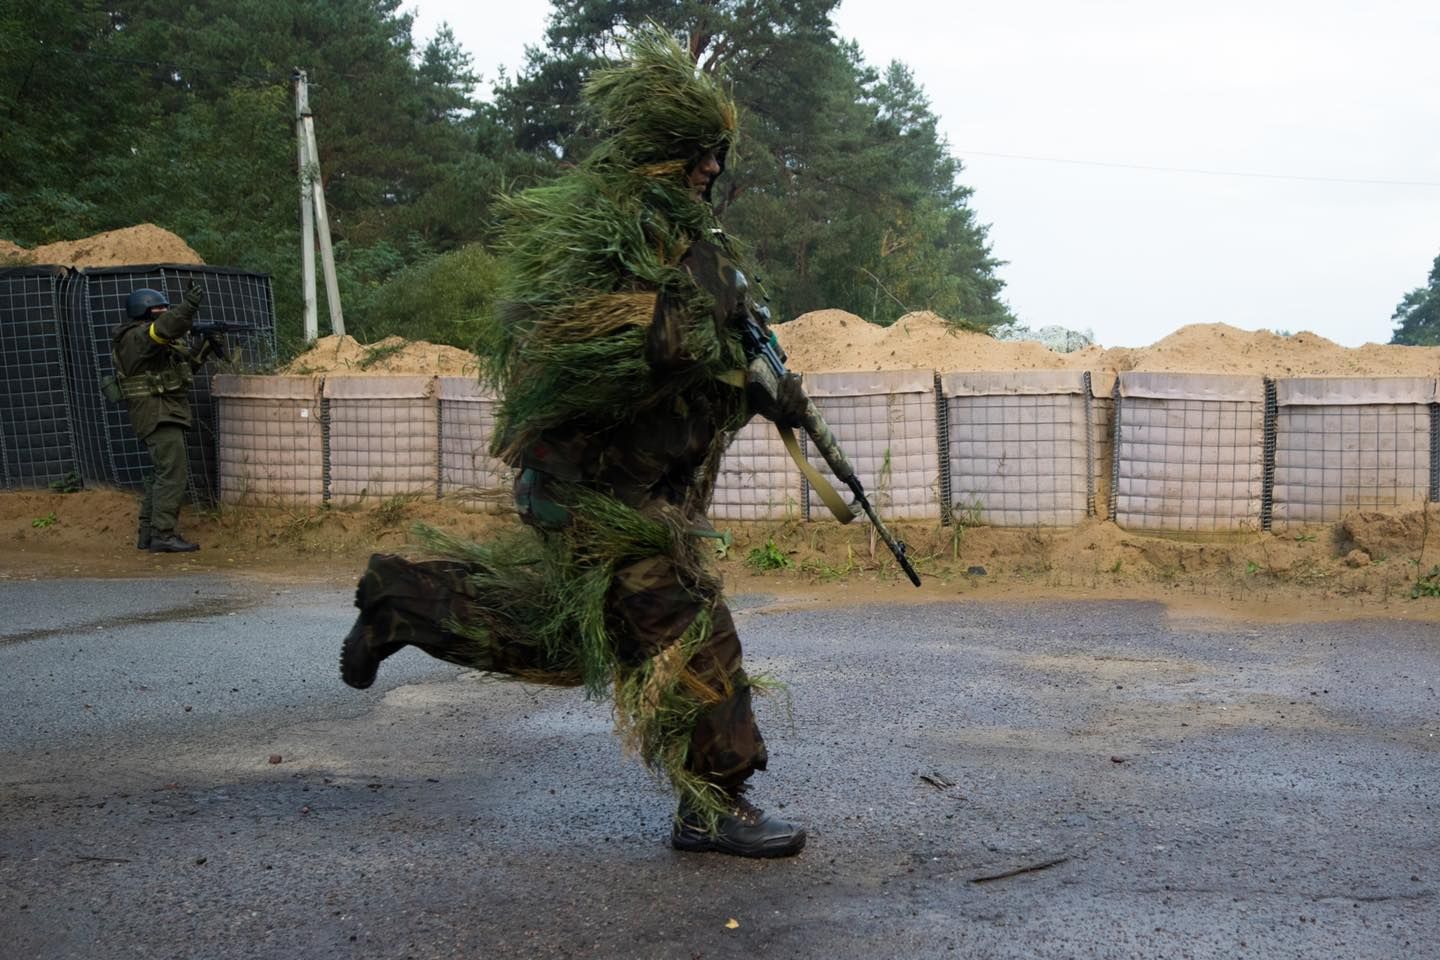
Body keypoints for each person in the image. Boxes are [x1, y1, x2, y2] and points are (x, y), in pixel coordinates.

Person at [338, 29, 808, 858]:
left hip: (642, 491)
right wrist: (713, 343)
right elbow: (600, 350)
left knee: (566, 637)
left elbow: (703, 368)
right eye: (697, 153)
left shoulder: (698, 245)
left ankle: (403, 603)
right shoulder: (606, 239)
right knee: (695, 631)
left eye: (717, 156)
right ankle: (712, 803)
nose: (709, 168)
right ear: (662, 151)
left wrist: (766, 395)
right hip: (592, 491)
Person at [112, 282, 206, 553]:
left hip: (163, 411)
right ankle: (162, 534)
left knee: (162, 474)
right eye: (159, 308)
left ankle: (148, 534)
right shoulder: (137, 337)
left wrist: (205, 347)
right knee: (172, 474)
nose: (164, 311)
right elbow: (164, 328)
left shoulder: (152, 344)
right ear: (144, 311)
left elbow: (181, 374)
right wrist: (187, 307)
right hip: (156, 413)